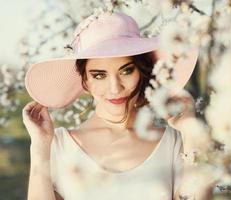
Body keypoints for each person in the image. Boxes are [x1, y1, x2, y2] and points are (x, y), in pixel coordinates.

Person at [23, 11, 198, 200]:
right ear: (85, 81)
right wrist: (39, 147)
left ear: (142, 72)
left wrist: (192, 133)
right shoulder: (59, 146)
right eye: (99, 75)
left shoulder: (173, 142)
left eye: (127, 71)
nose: (115, 88)